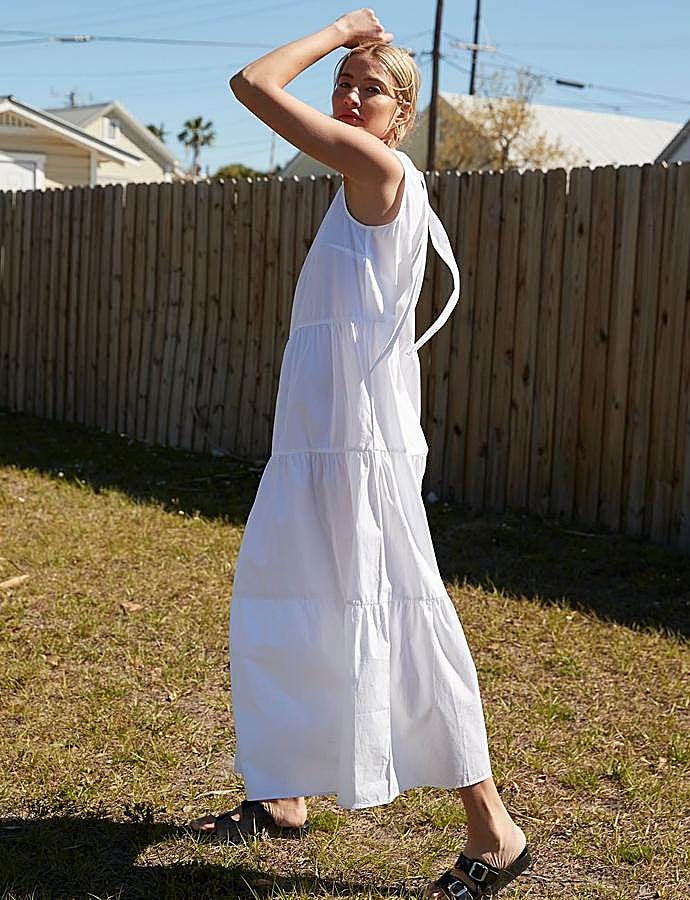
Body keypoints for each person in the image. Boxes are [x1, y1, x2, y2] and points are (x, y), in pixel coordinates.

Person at [189, 8, 532, 897]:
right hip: (318, 444)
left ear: (400, 116)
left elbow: (254, 85)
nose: (347, 94)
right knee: (291, 598)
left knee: (403, 619)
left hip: (357, 451)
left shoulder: (378, 171)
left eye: (368, 87)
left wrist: (342, 29)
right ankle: (284, 795)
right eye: (345, 82)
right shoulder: (362, 183)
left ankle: (495, 831)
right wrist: (350, 59)